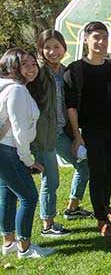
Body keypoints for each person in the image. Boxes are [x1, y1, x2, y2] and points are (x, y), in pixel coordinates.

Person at [27, 30, 93, 238]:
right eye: (47, 47)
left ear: (64, 48)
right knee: (51, 179)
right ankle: (48, 224)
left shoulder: (65, 71)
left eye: (57, 46)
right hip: (42, 135)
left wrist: (75, 135)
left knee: (84, 164)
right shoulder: (37, 72)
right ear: (41, 50)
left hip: (61, 132)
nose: (52, 51)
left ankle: (72, 208)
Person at [64, 21, 111, 237]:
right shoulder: (76, 69)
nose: (101, 42)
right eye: (96, 37)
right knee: (97, 172)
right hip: (91, 129)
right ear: (85, 39)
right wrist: (77, 136)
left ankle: (105, 205)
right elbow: (70, 106)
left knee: (110, 170)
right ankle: (101, 220)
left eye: (105, 38)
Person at [0, 48, 55, 258]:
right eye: (25, 64)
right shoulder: (17, 90)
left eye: (34, 64)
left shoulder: (8, 86)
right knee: (28, 197)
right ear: (13, 66)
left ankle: (8, 243)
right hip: (9, 150)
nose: (32, 69)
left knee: (7, 196)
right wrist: (28, 161)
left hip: (4, 149)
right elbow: (20, 132)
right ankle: (24, 246)